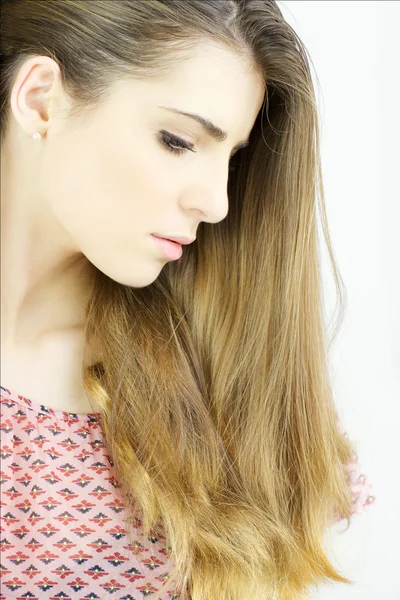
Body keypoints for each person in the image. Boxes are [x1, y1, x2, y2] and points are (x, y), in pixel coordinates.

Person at [0, 1, 376, 599]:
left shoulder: (226, 374)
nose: (218, 203)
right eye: (178, 140)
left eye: (232, 156)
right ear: (40, 99)